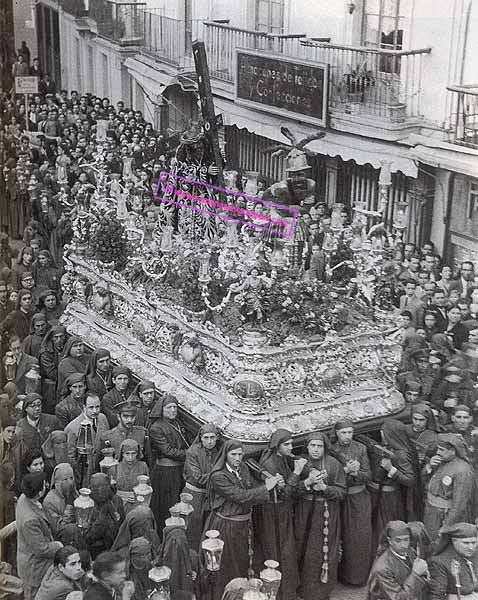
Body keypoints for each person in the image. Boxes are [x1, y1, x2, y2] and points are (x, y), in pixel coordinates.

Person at [203, 439, 281, 597]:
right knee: (228, 565)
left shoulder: (243, 468)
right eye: (233, 454)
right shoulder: (218, 476)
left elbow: (250, 487)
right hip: (227, 526)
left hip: (244, 524)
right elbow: (240, 496)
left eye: (240, 454)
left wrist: (267, 482)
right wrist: (266, 487)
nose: (238, 458)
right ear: (225, 456)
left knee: (243, 561)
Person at [254, 429, 305, 600]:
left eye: (291, 443)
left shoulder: (282, 459)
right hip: (274, 514)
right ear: (277, 447)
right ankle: (280, 592)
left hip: (281, 512)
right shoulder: (270, 464)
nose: (291, 447)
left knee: (287, 550)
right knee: (280, 550)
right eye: (287, 444)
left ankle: (287, 590)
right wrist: (297, 472)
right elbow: (284, 493)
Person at [295, 432, 346, 600]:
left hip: (325, 513)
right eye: (313, 446)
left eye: (320, 446)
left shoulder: (334, 464)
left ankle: (321, 592)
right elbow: (291, 490)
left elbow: (341, 492)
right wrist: (306, 484)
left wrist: (325, 488)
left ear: (325, 447)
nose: (316, 450)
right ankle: (302, 589)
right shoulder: (300, 463)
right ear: (307, 447)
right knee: (303, 547)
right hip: (304, 511)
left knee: (321, 551)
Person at [330, 420, 372, 586]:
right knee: (339, 537)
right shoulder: (332, 450)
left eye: (350, 432)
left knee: (358, 537)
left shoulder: (360, 448)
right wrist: (346, 472)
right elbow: (332, 477)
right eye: (344, 433)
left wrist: (356, 473)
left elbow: (368, 475)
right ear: (337, 433)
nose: (347, 436)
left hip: (358, 498)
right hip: (339, 499)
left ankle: (356, 577)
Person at [16, 472, 63, 600]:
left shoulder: (23, 498)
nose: (47, 485)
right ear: (39, 492)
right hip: (34, 567)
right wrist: (58, 546)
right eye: (44, 484)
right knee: (33, 595)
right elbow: (41, 549)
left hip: (29, 558)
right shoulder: (30, 520)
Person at [423, 433, 475, 540]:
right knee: (429, 540)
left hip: (443, 515)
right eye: (438, 449)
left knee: (439, 542)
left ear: (453, 451)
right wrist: (429, 467)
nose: (438, 452)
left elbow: (459, 504)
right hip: (432, 511)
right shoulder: (441, 461)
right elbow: (425, 479)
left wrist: (447, 525)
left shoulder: (463, 470)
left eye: (442, 450)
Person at [149, 394, 190, 530]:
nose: (172, 410)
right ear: (162, 409)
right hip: (166, 473)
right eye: (169, 407)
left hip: (179, 471)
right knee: (168, 505)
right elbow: (168, 451)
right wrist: (189, 454)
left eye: (175, 407)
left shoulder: (177, 423)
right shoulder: (157, 428)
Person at [366, 520, 429, 600]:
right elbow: (397, 598)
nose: (403, 545)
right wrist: (416, 574)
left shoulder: (409, 551)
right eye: (398, 540)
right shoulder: (382, 568)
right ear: (390, 541)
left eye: (406, 540)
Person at [182, 423, 220, 551]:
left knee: (208, 526)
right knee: (193, 525)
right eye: (206, 438)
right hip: (194, 494)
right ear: (201, 438)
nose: (209, 441)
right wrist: (219, 476)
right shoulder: (193, 452)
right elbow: (198, 477)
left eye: (212, 438)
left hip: (209, 495)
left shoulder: (217, 452)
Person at [65, 393, 109, 488]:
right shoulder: (73, 428)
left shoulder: (103, 419)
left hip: (101, 469)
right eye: (91, 407)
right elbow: (71, 457)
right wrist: (78, 476)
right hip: (84, 473)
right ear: (84, 407)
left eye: (97, 407)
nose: (95, 411)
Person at [428, 522, 478, 599]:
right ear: (454, 541)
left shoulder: (474, 556)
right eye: (466, 543)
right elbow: (437, 596)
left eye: (473, 543)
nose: (471, 547)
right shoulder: (439, 562)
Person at [84, 473, 125, 559]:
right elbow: (88, 537)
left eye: (103, 486)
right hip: (97, 551)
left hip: (116, 546)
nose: (100, 490)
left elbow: (122, 526)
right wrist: (103, 515)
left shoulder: (116, 501)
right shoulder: (87, 505)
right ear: (90, 488)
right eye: (95, 487)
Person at [97, 398, 148, 463]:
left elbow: (148, 459)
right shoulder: (108, 437)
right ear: (118, 417)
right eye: (126, 417)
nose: (129, 420)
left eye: (132, 417)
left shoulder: (142, 433)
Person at [43, 463, 77, 539]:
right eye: (65, 479)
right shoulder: (49, 502)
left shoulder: (74, 494)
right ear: (57, 481)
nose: (70, 483)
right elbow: (59, 530)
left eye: (71, 478)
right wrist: (69, 506)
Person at [115, 438, 149, 510]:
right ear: (122, 454)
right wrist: (122, 497)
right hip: (119, 504)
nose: (130, 457)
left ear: (138, 453)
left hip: (139, 504)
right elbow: (110, 491)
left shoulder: (143, 466)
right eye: (127, 453)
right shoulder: (115, 467)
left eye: (133, 453)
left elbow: (148, 488)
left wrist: (138, 496)